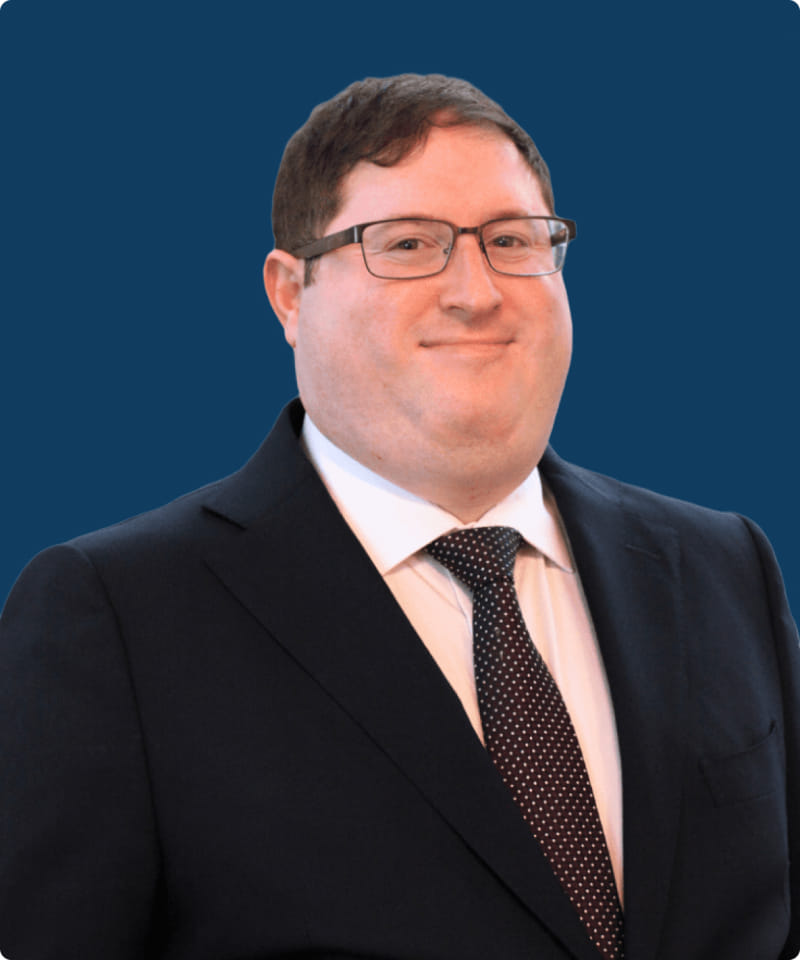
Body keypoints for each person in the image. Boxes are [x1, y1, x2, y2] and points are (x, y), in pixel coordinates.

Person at [0, 73, 798, 960]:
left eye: (512, 240)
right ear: (290, 293)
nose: (476, 292)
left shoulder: (722, 567)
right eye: (410, 244)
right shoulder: (115, 616)